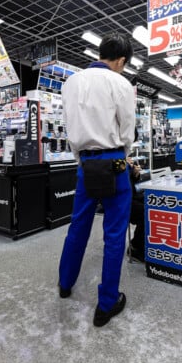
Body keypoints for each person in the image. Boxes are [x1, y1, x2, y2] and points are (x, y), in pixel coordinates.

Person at [58, 32, 136, 327]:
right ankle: (106, 304)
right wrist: (123, 154)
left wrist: (82, 158)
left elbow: (69, 126)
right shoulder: (121, 83)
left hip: (85, 164)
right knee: (114, 234)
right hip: (114, 163)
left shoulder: (71, 82)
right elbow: (127, 129)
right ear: (121, 61)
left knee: (78, 226)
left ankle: (65, 284)